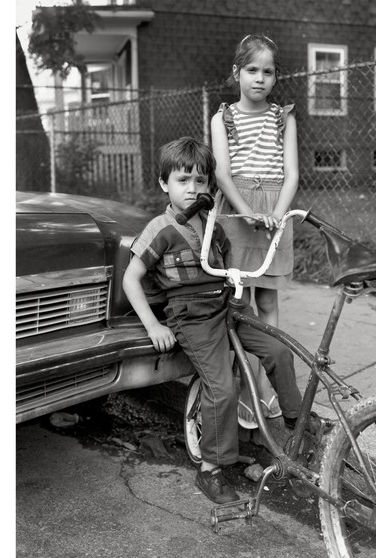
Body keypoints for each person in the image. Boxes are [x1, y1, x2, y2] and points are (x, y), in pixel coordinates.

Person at [121, 137, 303, 505]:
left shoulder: (213, 227)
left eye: (200, 181)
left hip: (225, 306)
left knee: (278, 350)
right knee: (222, 387)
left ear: (209, 186)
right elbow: (130, 278)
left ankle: (299, 422)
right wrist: (154, 327)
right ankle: (211, 470)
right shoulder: (161, 228)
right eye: (182, 180)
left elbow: (227, 269)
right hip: (191, 315)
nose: (192, 189)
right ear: (164, 184)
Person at [210, 33, 299, 329]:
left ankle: (266, 374)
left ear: (275, 78)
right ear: (237, 73)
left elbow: (292, 175)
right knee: (238, 299)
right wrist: (246, 212)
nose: (259, 78)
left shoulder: (283, 118)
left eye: (267, 72)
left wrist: (277, 215)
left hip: (274, 211)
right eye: (252, 70)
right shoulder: (222, 118)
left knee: (267, 300)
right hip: (236, 209)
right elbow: (222, 173)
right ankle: (242, 369)